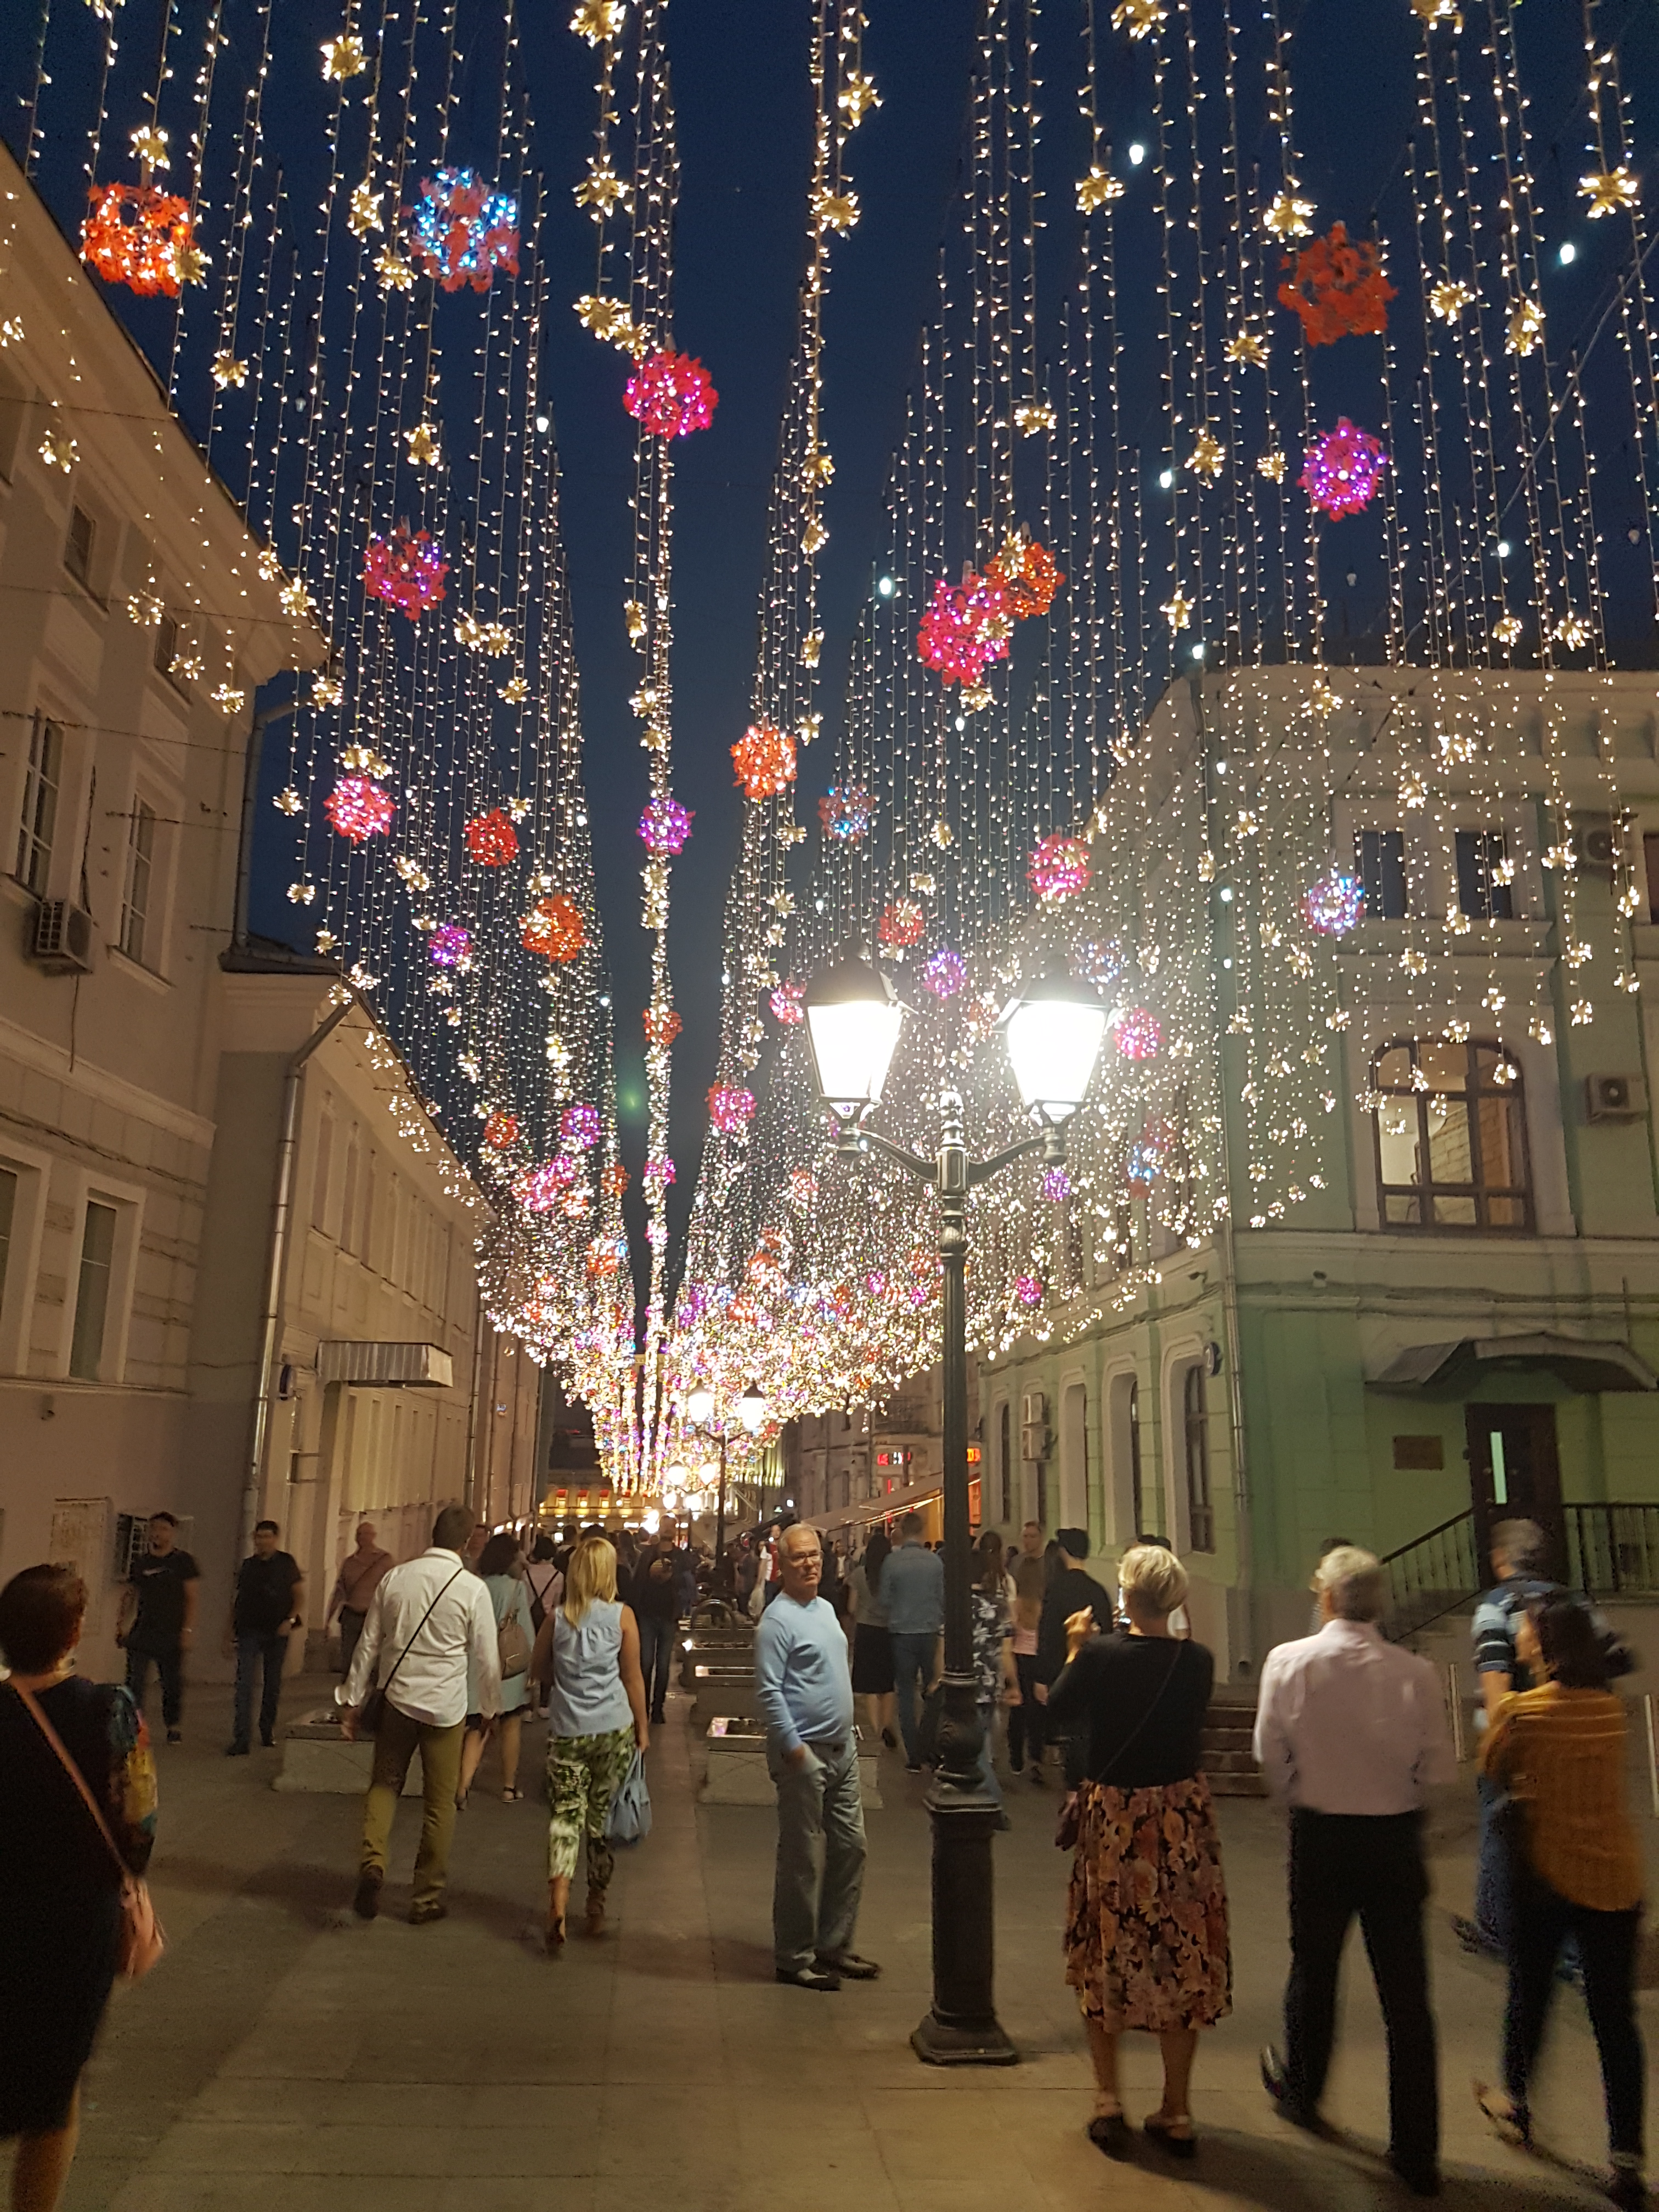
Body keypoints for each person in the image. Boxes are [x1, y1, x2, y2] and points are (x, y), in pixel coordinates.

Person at [1254, 1544, 1455, 2199]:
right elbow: (1438, 1765)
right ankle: (1417, 2149)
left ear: (1327, 1597)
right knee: (1406, 1995)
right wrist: (1402, 1799)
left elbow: (1270, 1752)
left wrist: (1298, 1799)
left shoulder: (1290, 1662)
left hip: (1322, 1835)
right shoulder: (1415, 1673)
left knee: (1314, 1969)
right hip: (1393, 1838)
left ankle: (1305, 2092)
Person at [1048, 1543, 1229, 2159]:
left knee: (1106, 1949)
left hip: (1119, 1822)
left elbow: (1060, 1708)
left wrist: (1076, 1648)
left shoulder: (1101, 1655)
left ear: (1127, 1596)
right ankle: (1176, 2108)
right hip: (1180, 1822)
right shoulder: (1197, 1662)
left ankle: (1108, 2099)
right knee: (1180, 1956)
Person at [1474, 1596, 1646, 2210]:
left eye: (1526, 1629)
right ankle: (1626, 2157)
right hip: (1615, 1879)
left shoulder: (1524, 1712)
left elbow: (1492, 1766)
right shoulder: (1609, 1711)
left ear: (1543, 1644)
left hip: (1547, 1876)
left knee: (1530, 1998)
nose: (1519, 1634)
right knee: (1614, 2020)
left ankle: (1516, 2103)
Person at [1, 1565, 157, 2212]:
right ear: (72, 1632)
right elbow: (140, 1825)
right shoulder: (109, 1709)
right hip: (76, 1922)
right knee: (56, 2083)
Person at [1459, 1516, 1631, 1960]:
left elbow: (1496, 1682)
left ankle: (1506, 1933)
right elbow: (1615, 1663)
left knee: (1504, 1834)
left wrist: (1495, 1746)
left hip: (1525, 1736)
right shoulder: (1576, 1602)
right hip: (1585, 1732)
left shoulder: (1497, 1605)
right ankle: (1573, 1939)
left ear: (1500, 1559)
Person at [338, 1504, 502, 1926]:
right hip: (446, 1710)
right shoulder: (472, 1590)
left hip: (397, 1701)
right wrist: (490, 1708)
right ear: (465, 1544)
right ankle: (425, 1897)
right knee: (439, 1804)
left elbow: (368, 1644)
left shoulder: (396, 1578)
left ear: (433, 1534)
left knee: (384, 1785)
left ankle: (373, 1864)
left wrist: (352, 1699)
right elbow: (488, 1658)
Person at [754, 1522, 879, 1992]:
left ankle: (833, 1943)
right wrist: (794, 1748)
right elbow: (769, 1692)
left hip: (841, 1748)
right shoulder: (777, 1622)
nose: (809, 1564)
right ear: (782, 1565)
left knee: (851, 1845)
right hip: (803, 1753)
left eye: (814, 1556)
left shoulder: (826, 1609)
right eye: (799, 1557)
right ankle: (794, 1956)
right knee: (801, 1856)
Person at [528, 1534, 648, 1951]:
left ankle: (558, 1904)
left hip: (567, 1730)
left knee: (564, 1817)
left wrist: (565, 1684)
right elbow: (632, 1677)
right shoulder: (623, 1617)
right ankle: (595, 1904)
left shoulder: (557, 1619)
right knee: (600, 1819)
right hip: (613, 1728)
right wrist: (642, 1728)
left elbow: (538, 1669)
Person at [458, 1534, 537, 1804]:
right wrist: (532, 1669)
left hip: (476, 1665)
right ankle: (508, 1787)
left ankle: (462, 1786)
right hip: (508, 1667)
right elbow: (525, 1631)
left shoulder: (474, 1585)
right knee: (511, 1726)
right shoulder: (516, 1589)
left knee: (476, 1727)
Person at [114, 1510, 200, 1746]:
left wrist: (187, 1630)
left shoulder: (183, 1562)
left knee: (171, 1683)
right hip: (143, 1630)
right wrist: (121, 1625)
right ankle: (136, 1726)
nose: (158, 1534)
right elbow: (130, 1595)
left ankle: (173, 1726)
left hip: (171, 1633)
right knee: (135, 1681)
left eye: (164, 1529)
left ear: (173, 1533)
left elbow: (192, 1598)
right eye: (154, 1529)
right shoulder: (141, 1563)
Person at [1037, 1528, 1113, 1786]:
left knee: (1071, 1732)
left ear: (1063, 1552)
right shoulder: (1098, 1591)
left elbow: (1047, 1635)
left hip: (1063, 1669)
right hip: (1095, 1670)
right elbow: (1108, 1633)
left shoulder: (1056, 1589)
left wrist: (1042, 1677)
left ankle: (1073, 1785)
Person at [223, 1520, 304, 1756]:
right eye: (259, 1537)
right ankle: (241, 1738)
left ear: (275, 1539)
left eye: (267, 1537)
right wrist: (229, 1631)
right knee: (244, 1684)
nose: (262, 1542)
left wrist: (289, 1620)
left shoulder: (286, 1563)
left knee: (272, 1683)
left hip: (277, 1631)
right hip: (249, 1629)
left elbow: (298, 1596)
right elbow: (238, 1600)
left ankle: (267, 1729)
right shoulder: (249, 1566)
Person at [879, 1511, 945, 1770]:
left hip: (901, 1633)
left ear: (902, 1531)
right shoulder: (935, 1563)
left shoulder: (892, 1562)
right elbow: (942, 1598)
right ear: (922, 1531)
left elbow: (884, 1599)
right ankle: (928, 1743)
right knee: (933, 1689)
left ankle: (913, 1754)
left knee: (905, 1693)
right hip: (929, 1630)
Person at [971, 1529, 1019, 1816]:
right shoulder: (1003, 1594)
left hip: (972, 1680)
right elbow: (1006, 1648)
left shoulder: (964, 1605)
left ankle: (994, 1803)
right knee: (986, 1737)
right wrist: (1012, 1682)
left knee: (975, 1746)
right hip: (993, 1678)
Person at [848, 1528, 897, 1750]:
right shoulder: (892, 1574)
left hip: (866, 1630)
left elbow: (851, 1606)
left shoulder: (859, 1574)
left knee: (869, 1686)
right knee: (887, 1684)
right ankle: (887, 1725)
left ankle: (876, 1730)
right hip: (888, 1630)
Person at [1007, 1520, 1048, 1783]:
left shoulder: (1047, 1566)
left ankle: (1035, 1757)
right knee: (1020, 1706)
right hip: (1020, 1645)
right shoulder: (1017, 1564)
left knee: (1036, 1707)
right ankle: (1017, 1756)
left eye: (1032, 1536)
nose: (1028, 1540)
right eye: (1025, 1536)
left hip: (1037, 1645)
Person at [326, 1520, 393, 1678]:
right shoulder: (349, 1563)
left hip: (374, 1617)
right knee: (348, 1660)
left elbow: (393, 1590)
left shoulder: (385, 1561)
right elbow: (339, 1592)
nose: (362, 1538)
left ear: (374, 1536)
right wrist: (328, 1620)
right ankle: (349, 1689)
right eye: (359, 1534)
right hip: (351, 1616)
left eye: (366, 1534)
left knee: (372, 1660)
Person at [631, 1528, 681, 1726]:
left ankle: (657, 1708)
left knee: (661, 1665)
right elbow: (638, 1583)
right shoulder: (648, 1556)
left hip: (666, 1616)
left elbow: (684, 1585)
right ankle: (644, 1708)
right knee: (647, 1663)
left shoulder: (679, 1557)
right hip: (649, 1615)